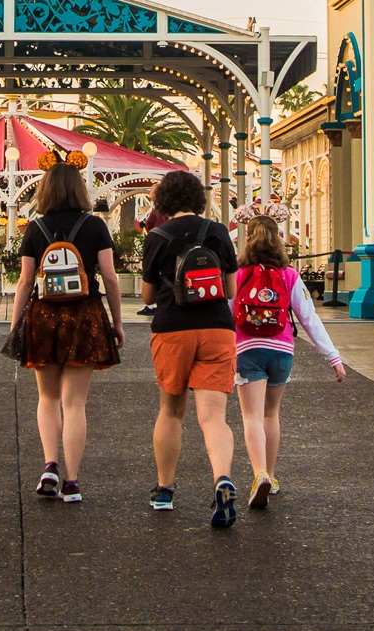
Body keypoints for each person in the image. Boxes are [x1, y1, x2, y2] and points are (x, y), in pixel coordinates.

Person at [11, 163, 123, 504]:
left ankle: (50, 464)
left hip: (44, 316)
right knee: (75, 403)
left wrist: (17, 325)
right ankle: (72, 481)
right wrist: (116, 323)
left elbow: (26, 281)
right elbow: (110, 277)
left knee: (48, 398)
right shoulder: (95, 226)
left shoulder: (36, 227)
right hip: (84, 316)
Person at [140, 169, 240, 527]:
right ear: (199, 198)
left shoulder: (157, 236)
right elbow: (229, 289)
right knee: (214, 416)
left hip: (172, 329)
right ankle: (222, 478)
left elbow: (148, 295)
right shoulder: (217, 232)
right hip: (216, 328)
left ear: (163, 201)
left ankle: (165, 490)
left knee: (171, 411)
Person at [232, 214, 345, 509]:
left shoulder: (239, 274)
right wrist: (333, 357)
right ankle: (271, 473)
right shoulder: (289, 275)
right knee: (271, 413)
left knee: (251, 416)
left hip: (247, 348)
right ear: (278, 239)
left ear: (248, 239)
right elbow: (309, 318)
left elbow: (225, 313)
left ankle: (258, 474)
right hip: (282, 350)